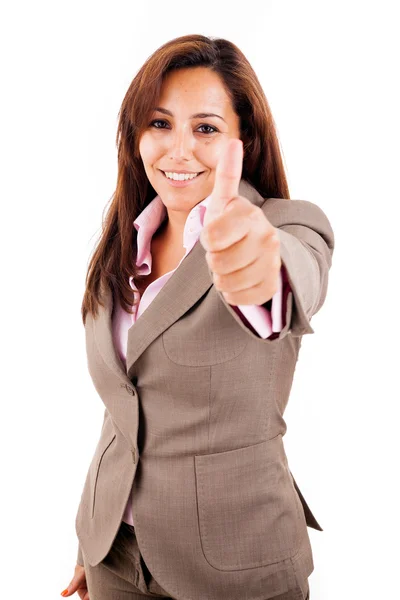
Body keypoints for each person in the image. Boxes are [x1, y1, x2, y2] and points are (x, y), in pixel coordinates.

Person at [61, 33, 334, 600]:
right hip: (116, 555)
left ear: (244, 138)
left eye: (205, 128)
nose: (178, 150)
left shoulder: (287, 227)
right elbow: (127, 405)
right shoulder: (122, 242)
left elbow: (285, 286)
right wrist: (94, 539)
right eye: (159, 124)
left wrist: (259, 272)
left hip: (234, 568)